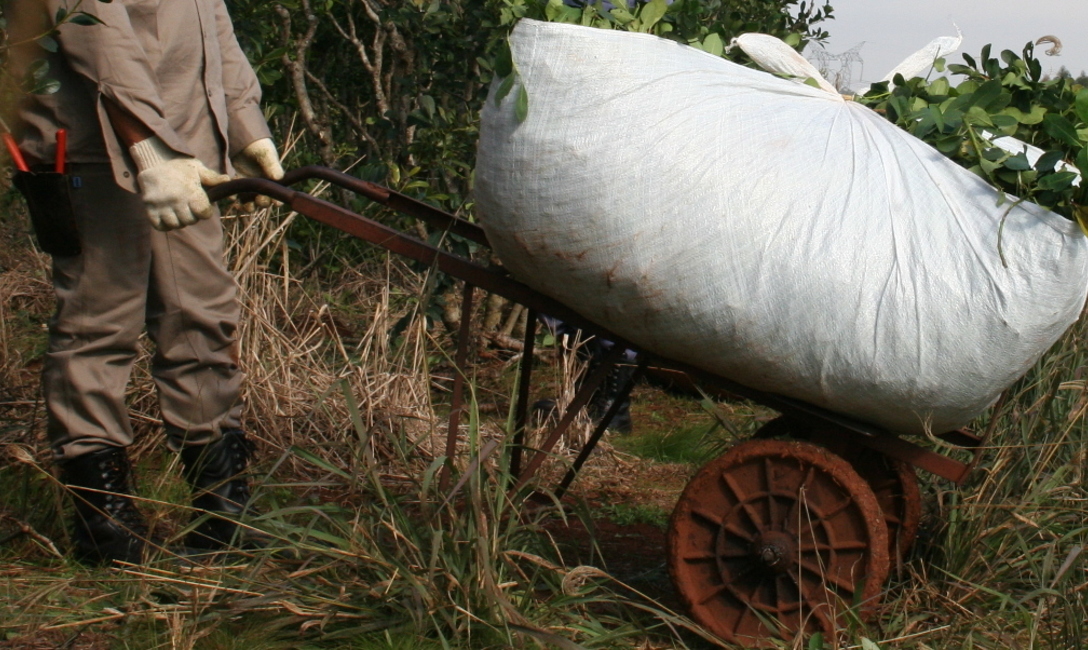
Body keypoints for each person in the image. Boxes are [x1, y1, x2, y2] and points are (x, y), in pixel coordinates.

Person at [5, 0, 284, 565]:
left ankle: (223, 515)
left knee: (202, 316)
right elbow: (97, 36)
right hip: (91, 148)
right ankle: (106, 530)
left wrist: (244, 128)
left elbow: (214, 30)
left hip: (186, 154)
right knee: (97, 324)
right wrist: (147, 147)